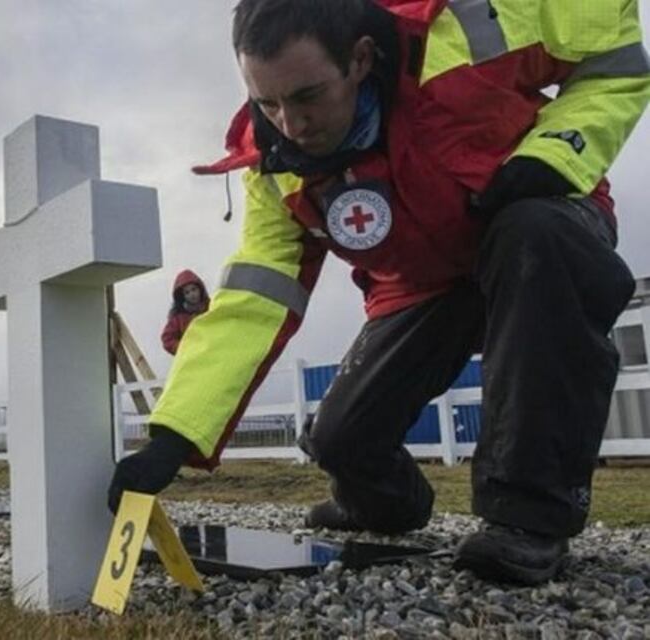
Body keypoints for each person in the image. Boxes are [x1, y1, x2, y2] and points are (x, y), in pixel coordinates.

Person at [108, 0, 649, 585]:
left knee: (537, 236)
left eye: (309, 96)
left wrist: (558, 150)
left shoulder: (462, 34)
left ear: (360, 59)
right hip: (418, 286)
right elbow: (255, 297)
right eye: (268, 102)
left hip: (532, 231)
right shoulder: (276, 167)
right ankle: (386, 503)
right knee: (341, 439)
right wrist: (174, 433)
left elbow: (614, 54)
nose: (290, 125)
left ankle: (527, 519)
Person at [162, 270, 211, 355]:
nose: (192, 294)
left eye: (194, 289)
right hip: (191, 361)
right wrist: (185, 349)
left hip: (212, 355)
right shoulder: (178, 318)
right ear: (183, 296)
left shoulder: (212, 308)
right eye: (187, 292)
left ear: (200, 289)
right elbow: (167, 339)